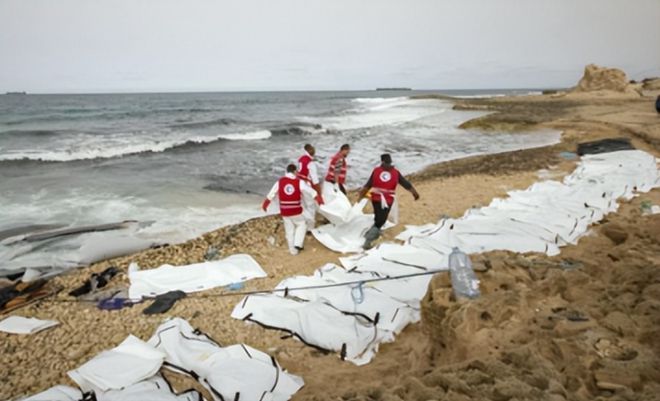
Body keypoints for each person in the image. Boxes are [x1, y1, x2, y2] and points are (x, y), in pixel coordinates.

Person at [358, 154, 420, 249]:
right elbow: (405, 183)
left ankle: (372, 232)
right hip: (387, 199)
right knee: (381, 221)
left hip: (376, 198)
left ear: (382, 161)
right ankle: (368, 241)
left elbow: (368, 185)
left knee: (378, 216)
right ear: (390, 162)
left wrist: (361, 196)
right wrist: (414, 193)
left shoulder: (376, 171)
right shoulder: (395, 172)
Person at [262, 164, 321, 255]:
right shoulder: (299, 182)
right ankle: (297, 244)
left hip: (284, 211)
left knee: (289, 230)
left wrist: (266, 204)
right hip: (296, 210)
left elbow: (272, 193)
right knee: (302, 224)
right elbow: (309, 191)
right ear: (294, 172)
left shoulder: (280, 182)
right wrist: (317, 197)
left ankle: (293, 251)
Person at [297, 144, 323, 230]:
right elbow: (315, 180)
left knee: (303, 204)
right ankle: (310, 228)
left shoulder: (301, 159)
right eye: (312, 148)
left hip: (299, 183)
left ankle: (302, 223)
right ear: (309, 150)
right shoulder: (311, 163)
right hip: (306, 185)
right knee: (310, 205)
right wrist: (319, 193)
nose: (314, 149)